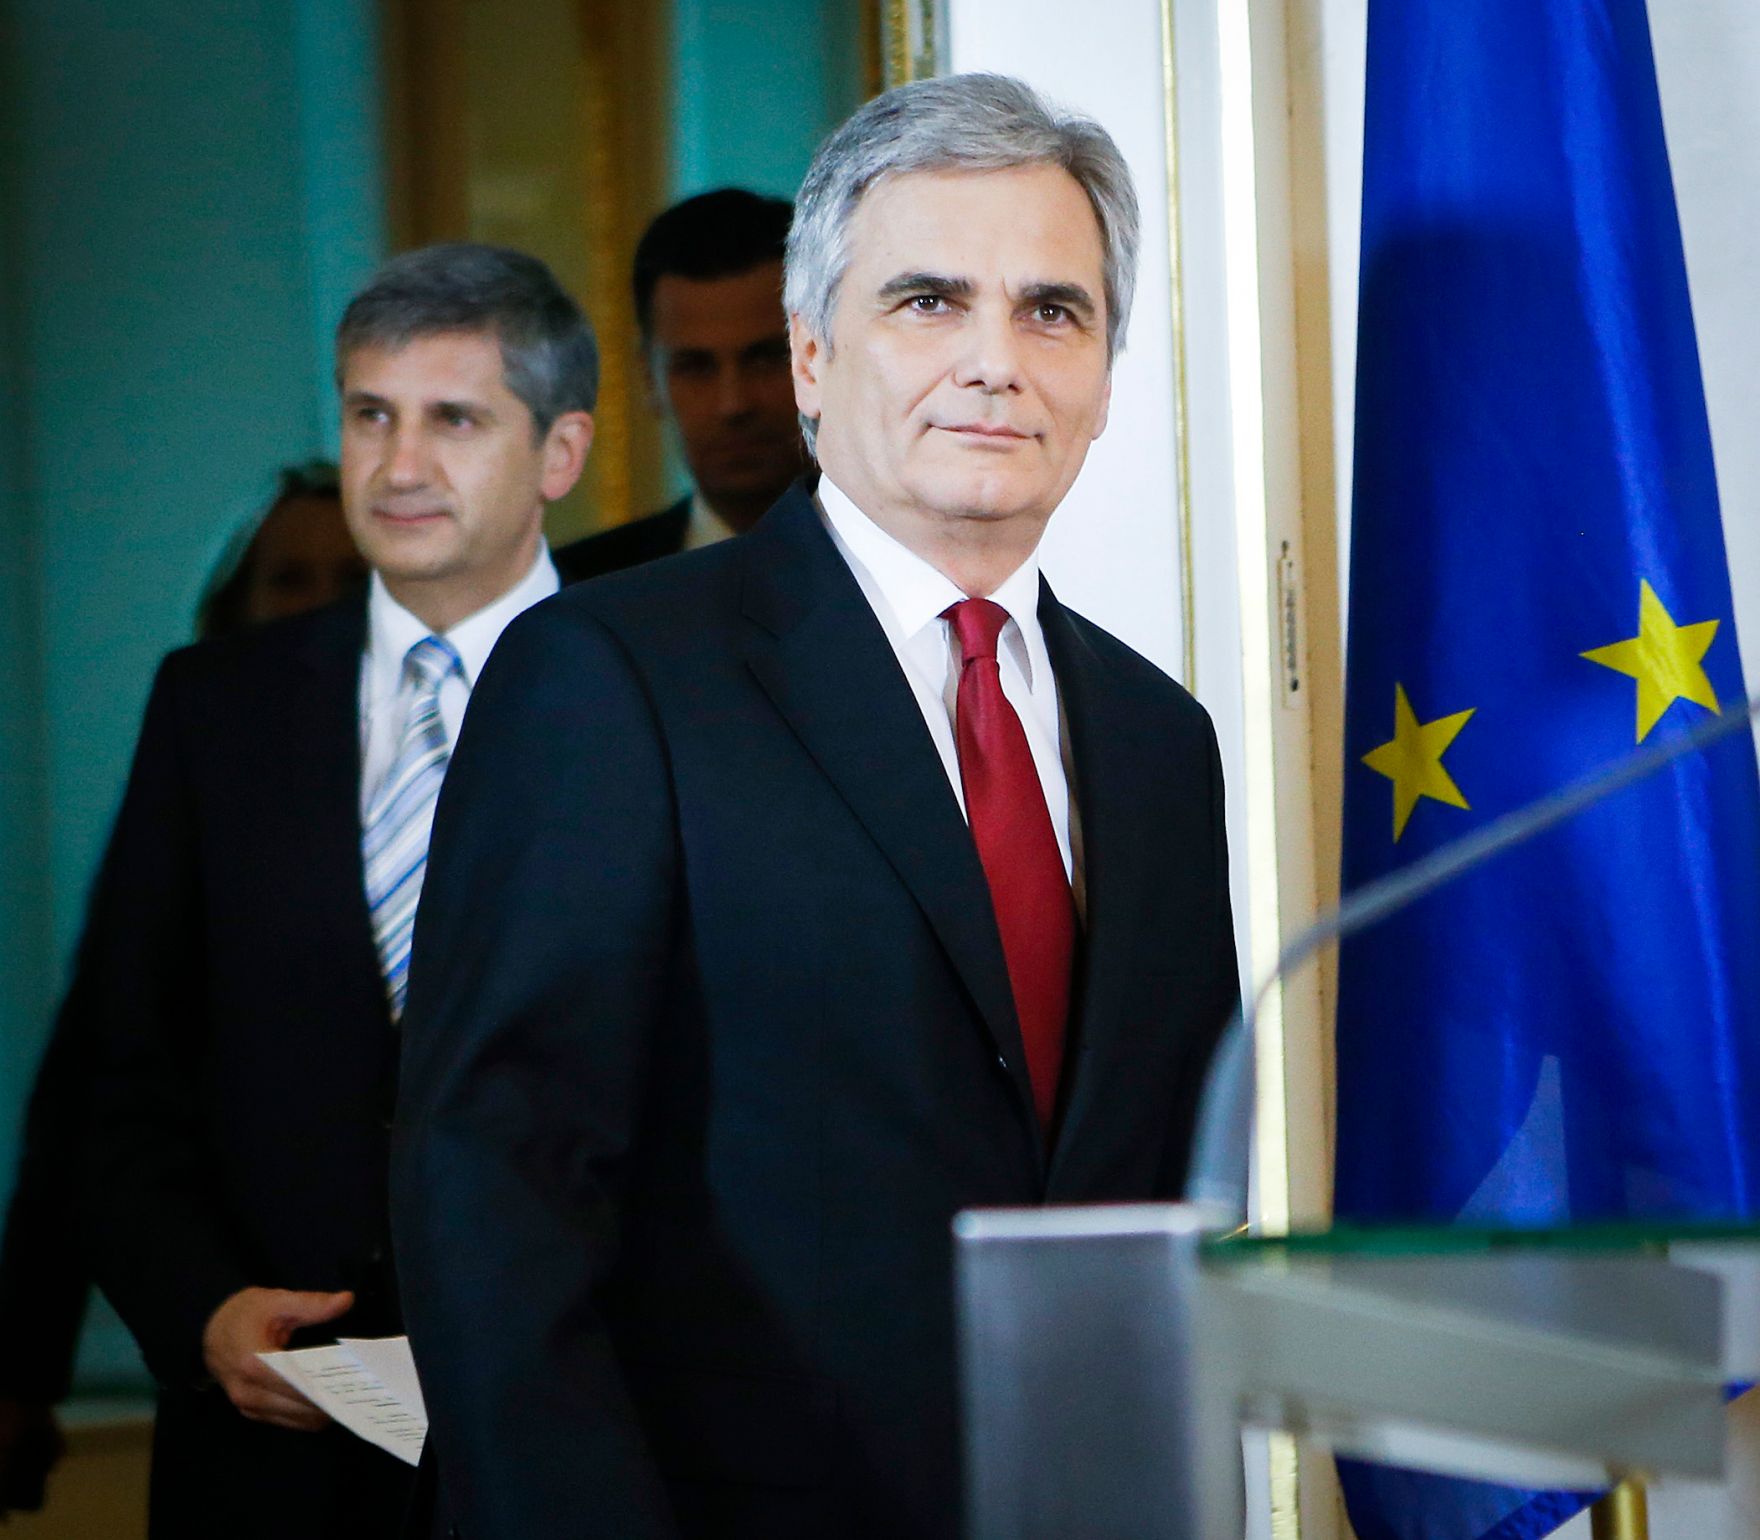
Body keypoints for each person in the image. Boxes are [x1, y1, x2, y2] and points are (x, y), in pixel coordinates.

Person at [392, 74, 1238, 1539]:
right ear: (807, 357)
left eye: (1053, 310)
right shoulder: (609, 674)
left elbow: (1157, 1197)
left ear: (1106, 374)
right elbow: (498, 1193)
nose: (995, 362)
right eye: (927, 301)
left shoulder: (1165, 744)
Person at [78, 243, 595, 1539]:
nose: (399, 466)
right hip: (271, 1461)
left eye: (454, 420)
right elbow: (113, 1075)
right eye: (371, 415)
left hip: (578, 1444)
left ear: (560, 454)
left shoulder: (673, 696)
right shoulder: (214, 708)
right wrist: (199, 1310)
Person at [0, 463, 365, 1520]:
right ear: (236, 608)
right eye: (289, 580)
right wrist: (25, 1357)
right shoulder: (199, 780)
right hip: (250, 1378)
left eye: (350, 576)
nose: (322, 606)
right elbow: (96, 1085)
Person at [564, 187, 805, 577]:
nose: (733, 403)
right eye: (696, 367)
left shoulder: (916, 568)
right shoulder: (575, 590)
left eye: (765, 359)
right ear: (649, 378)